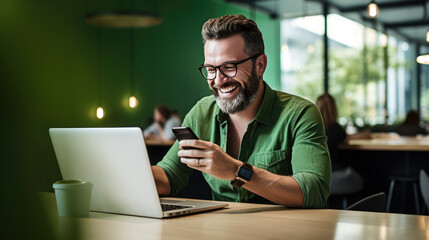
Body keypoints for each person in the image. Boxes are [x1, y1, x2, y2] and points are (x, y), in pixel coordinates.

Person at [151, 15, 331, 208]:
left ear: (260, 65)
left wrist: (236, 170)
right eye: (210, 69)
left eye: (229, 67)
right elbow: (169, 175)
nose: (218, 80)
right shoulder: (201, 112)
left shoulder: (300, 114)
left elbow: (314, 190)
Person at [315, 93, 368, 202]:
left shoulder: (312, 128)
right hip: (335, 176)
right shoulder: (335, 128)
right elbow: (347, 138)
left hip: (316, 178)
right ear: (334, 109)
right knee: (363, 178)